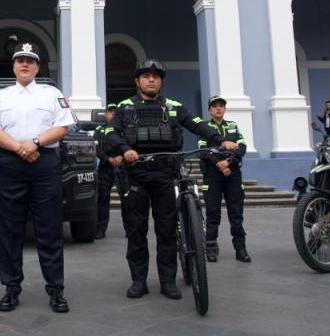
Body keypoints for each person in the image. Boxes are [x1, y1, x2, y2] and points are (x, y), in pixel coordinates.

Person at [104, 60, 237, 300]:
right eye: (146, 76)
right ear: (137, 81)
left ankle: (168, 281)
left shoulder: (174, 107)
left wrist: (219, 139)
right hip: (137, 175)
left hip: (166, 176)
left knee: (167, 232)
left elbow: (196, 124)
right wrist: (124, 149)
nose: (151, 79)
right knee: (136, 231)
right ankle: (138, 281)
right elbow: (109, 133)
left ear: (161, 82)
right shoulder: (125, 107)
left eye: (156, 76)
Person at [0, 42, 75, 314]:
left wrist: (33, 143)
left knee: (50, 230)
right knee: (10, 230)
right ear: (13, 66)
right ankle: (11, 288)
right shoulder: (0, 96)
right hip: (11, 164)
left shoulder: (52, 94)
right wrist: (19, 148)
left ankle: (56, 290)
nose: (25, 65)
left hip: (44, 164)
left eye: (30, 61)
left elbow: (62, 127)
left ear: (37, 67)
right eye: (20, 60)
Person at [198, 95, 249, 263]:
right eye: (214, 106)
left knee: (236, 213)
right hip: (212, 176)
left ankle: (240, 249)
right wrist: (219, 164)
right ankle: (211, 248)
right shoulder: (205, 127)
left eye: (221, 106)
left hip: (233, 175)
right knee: (213, 213)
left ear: (224, 109)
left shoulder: (233, 126)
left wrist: (228, 162)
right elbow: (203, 151)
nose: (218, 108)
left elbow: (241, 147)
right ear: (209, 110)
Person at [94, 103, 118, 240]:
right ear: (106, 114)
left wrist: (120, 157)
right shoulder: (99, 129)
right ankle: (100, 229)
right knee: (102, 198)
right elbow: (96, 148)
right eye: (110, 112)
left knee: (129, 200)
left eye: (115, 112)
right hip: (106, 167)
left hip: (123, 166)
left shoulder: (125, 128)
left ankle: (131, 229)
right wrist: (108, 159)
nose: (112, 114)